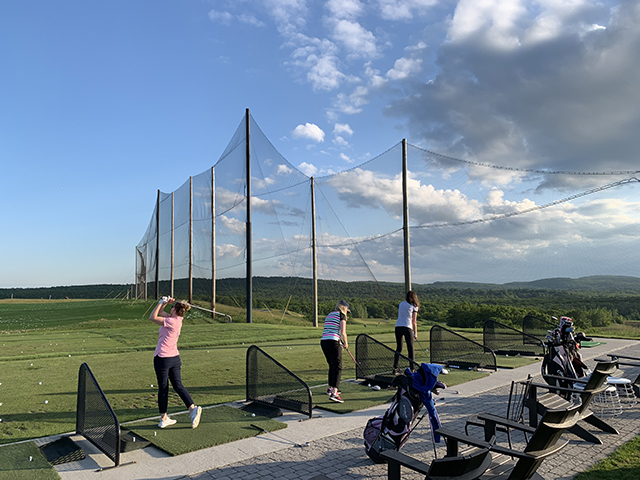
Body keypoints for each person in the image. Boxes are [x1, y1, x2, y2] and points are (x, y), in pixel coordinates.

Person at [150, 297, 202, 429]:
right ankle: (192, 408)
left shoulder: (172, 322)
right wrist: (166, 303)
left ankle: (164, 418)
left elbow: (153, 317)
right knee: (178, 385)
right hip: (174, 358)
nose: (170, 309)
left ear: (175, 310)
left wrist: (161, 302)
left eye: (172, 307)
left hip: (162, 358)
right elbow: (162, 313)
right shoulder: (177, 320)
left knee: (163, 388)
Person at [321, 300, 350, 403]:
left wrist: (339, 342)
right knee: (338, 367)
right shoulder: (342, 315)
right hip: (333, 341)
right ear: (345, 308)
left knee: (332, 365)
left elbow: (331, 329)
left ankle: (330, 388)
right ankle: (334, 393)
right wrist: (345, 343)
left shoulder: (330, 314)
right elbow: (343, 332)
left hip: (324, 341)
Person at [393, 291, 419, 372]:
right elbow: (414, 321)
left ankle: (395, 367)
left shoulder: (401, 304)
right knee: (410, 348)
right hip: (407, 327)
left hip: (398, 327)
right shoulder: (414, 306)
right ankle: (412, 368)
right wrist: (415, 333)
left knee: (399, 348)